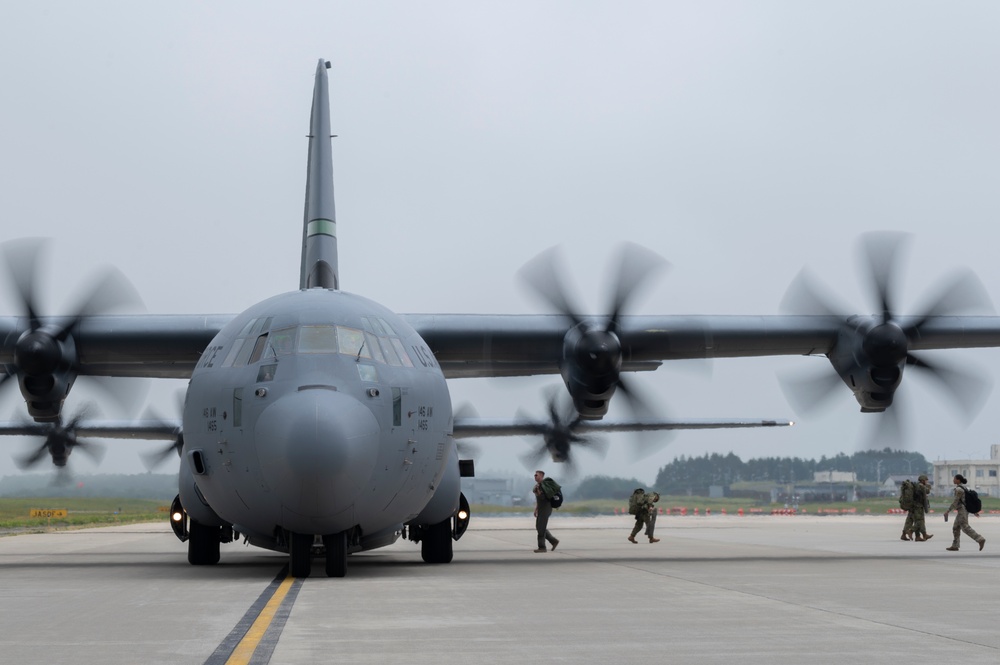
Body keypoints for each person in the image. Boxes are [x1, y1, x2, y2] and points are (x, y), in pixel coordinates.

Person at [944, 474, 986, 552]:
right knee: (955, 527)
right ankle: (955, 545)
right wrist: (974, 512)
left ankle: (980, 539)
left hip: (962, 511)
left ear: (958, 480)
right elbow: (966, 501)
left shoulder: (959, 489)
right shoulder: (964, 488)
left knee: (965, 527)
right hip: (962, 510)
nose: (953, 480)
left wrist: (948, 510)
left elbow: (956, 501)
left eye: (954, 479)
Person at [532, 469, 559, 553]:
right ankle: (553, 541)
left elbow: (543, 498)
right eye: (534, 475)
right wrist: (536, 509)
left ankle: (542, 547)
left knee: (541, 528)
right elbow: (539, 500)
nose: (535, 476)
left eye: (536, 475)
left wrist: (539, 492)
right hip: (541, 509)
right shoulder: (538, 485)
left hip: (546, 509)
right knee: (539, 526)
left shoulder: (544, 486)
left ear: (541, 476)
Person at [902, 475, 933, 542]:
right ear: (922, 480)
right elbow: (927, 491)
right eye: (926, 480)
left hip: (913, 505)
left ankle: (917, 536)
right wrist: (929, 487)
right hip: (918, 506)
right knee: (920, 521)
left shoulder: (916, 485)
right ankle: (912, 531)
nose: (927, 482)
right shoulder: (921, 486)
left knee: (910, 520)